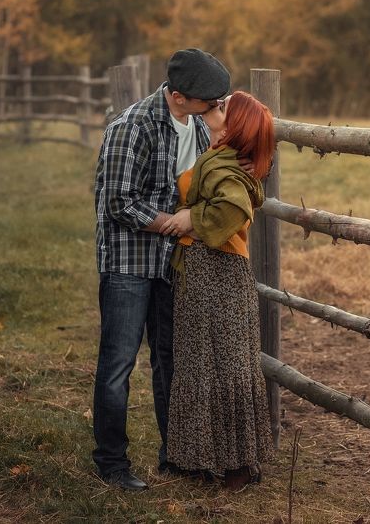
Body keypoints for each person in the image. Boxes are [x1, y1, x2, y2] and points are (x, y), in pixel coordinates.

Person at [92, 48, 231, 491]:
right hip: (129, 263)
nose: (216, 110)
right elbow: (116, 199)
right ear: (177, 97)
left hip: (173, 261)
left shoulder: (200, 128)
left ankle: (175, 457)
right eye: (209, 103)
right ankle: (112, 463)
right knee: (118, 364)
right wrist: (169, 224)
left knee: (170, 360)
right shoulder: (131, 127)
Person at [159, 91, 276, 491]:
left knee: (222, 363)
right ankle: (210, 458)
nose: (215, 107)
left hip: (217, 266)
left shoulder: (227, 167)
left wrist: (191, 218)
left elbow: (231, 210)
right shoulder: (221, 155)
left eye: (223, 107)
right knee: (204, 361)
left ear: (234, 125)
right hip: (206, 267)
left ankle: (237, 464)